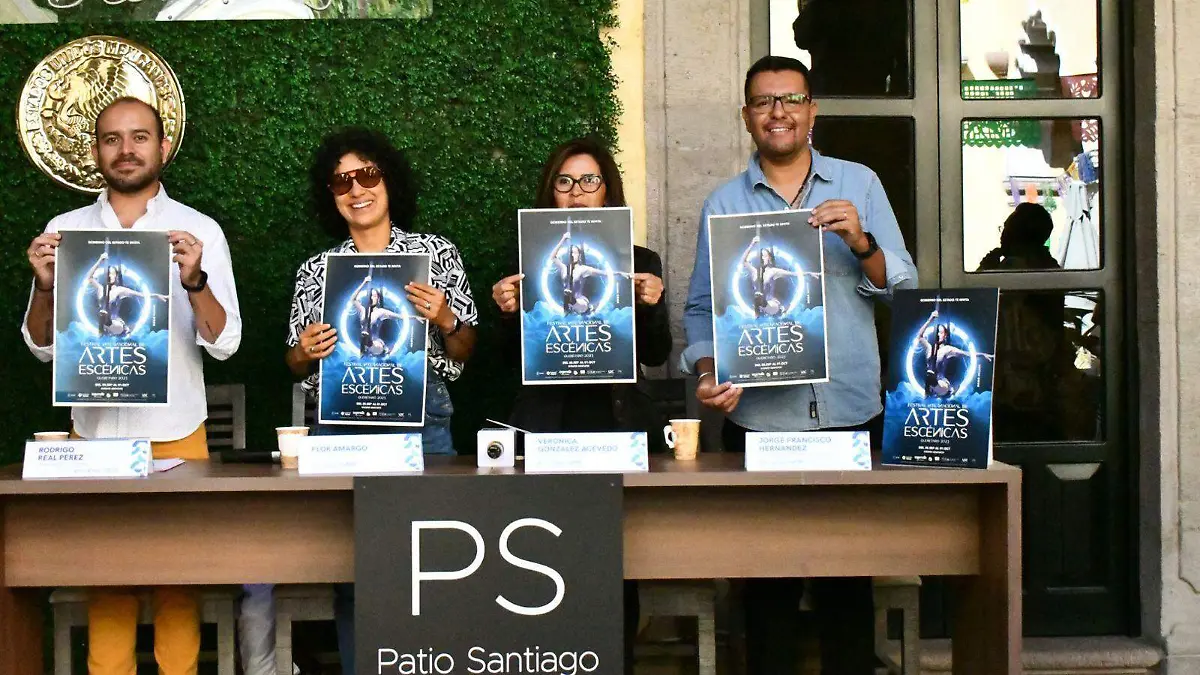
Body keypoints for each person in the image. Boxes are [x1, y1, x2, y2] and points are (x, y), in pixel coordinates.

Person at [680, 56, 918, 675]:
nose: (778, 112)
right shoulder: (724, 202)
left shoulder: (859, 184)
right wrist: (706, 372)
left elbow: (903, 287)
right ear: (746, 117)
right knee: (767, 596)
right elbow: (702, 308)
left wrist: (861, 243)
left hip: (850, 414)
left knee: (848, 591)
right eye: (764, 102)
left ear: (812, 111)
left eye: (790, 99)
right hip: (762, 422)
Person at [22, 96, 242, 675]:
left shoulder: (199, 230)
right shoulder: (64, 231)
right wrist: (44, 287)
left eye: (140, 137)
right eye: (112, 139)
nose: (126, 150)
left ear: (162, 147)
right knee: (107, 583)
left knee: (178, 587)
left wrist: (194, 280)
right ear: (96, 151)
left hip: (177, 431)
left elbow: (225, 342)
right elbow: (41, 345)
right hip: (93, 435)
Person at [273, 127, 478, 675]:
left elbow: (466, 348)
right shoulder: (317, 270)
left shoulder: (435, 255)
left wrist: (445, 317)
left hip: (423, 421)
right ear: (330, 195)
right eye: (342, 181)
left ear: (389, 180)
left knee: (434, 562)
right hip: (341, 425)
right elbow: (293, 361)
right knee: (355, 572)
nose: (356, 189)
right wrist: (304, 350)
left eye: (367, 174)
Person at [490, 137, 671, 673]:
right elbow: (506, 364)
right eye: (564, 182)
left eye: (589, 181)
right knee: (543, 560)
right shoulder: (526, 262)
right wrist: (507, 314)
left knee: (614, 566)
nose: (576, 193)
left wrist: (651, 306)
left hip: (616, 428)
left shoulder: (640, 262)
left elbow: (656, 354)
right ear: (550, 193)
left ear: (608, 191)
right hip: (547, 428)